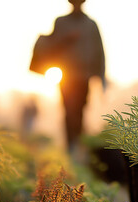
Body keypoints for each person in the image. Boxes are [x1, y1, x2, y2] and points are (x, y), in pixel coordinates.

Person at [49, 0, 106, 154]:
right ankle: (71, 147)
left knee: (80, 110)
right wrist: (66, 39)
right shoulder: (61, 22)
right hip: (66, 77)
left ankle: (78, 145)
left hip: (84, 76)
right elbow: (50, 47)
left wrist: (102, 79)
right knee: (69, 111)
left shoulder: (91, 24)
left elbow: (100, 53)